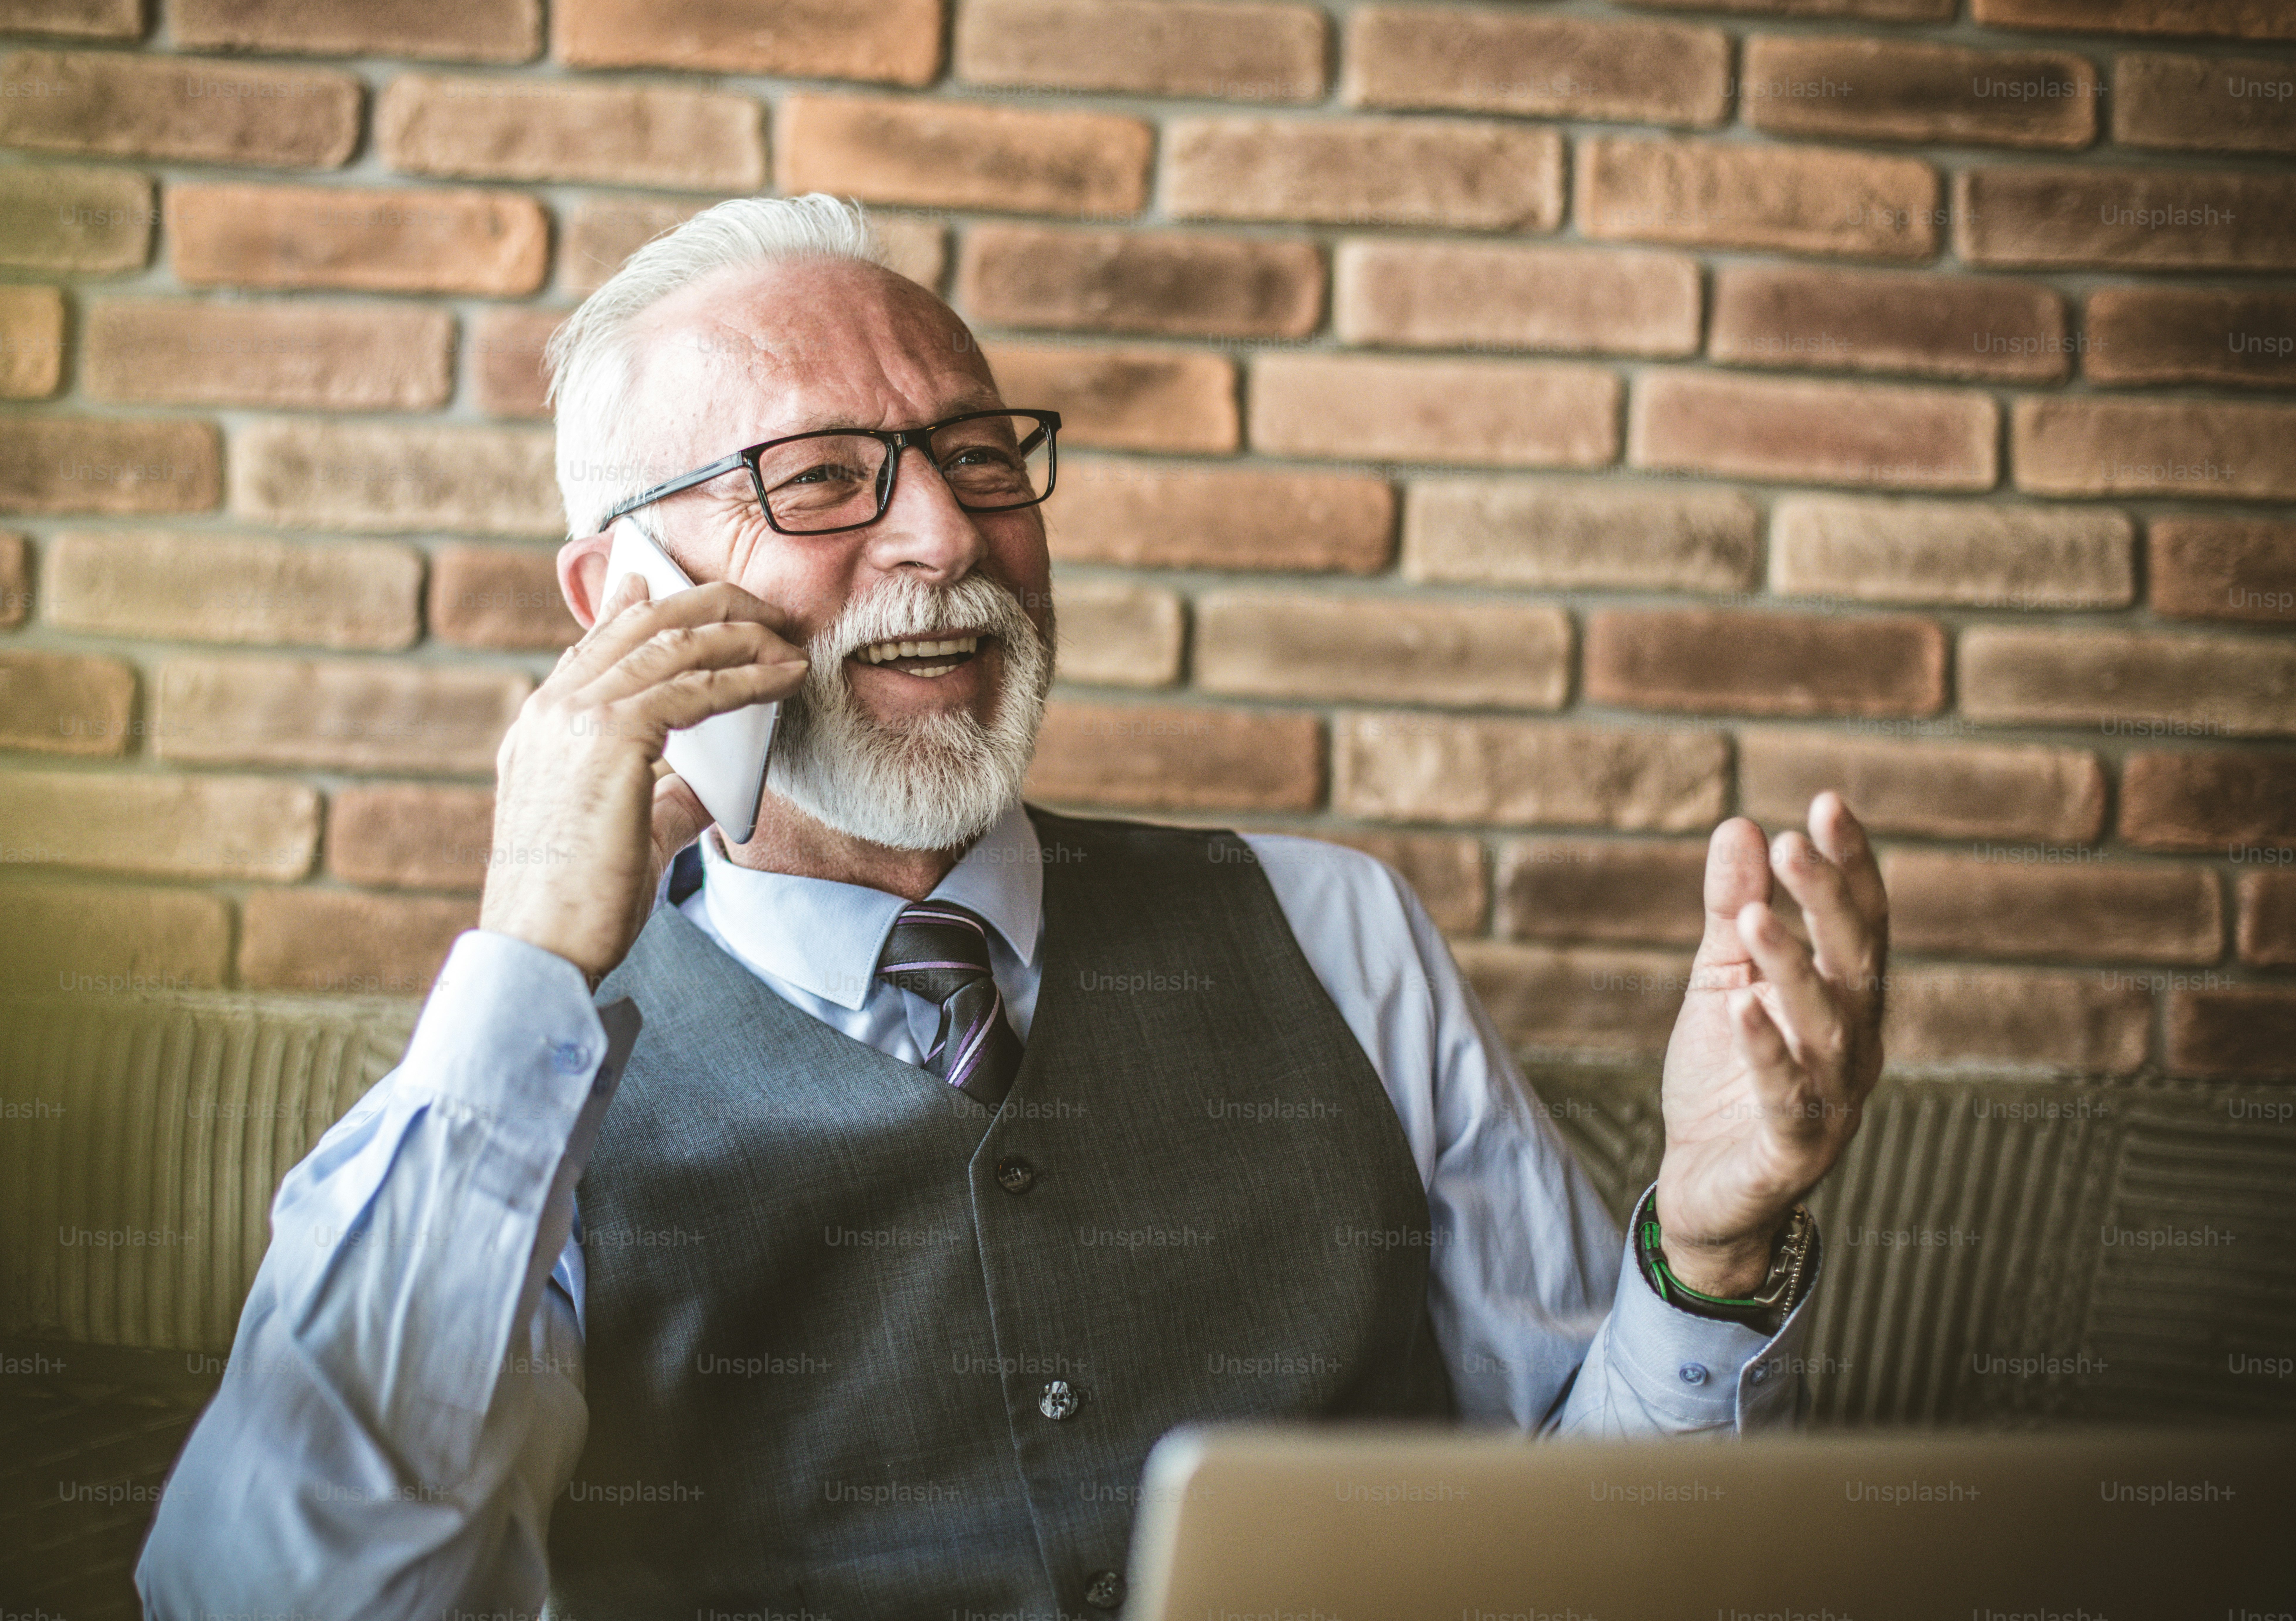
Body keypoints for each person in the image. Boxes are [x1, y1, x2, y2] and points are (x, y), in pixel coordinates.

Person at [136, 195, 1889, 1620]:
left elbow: (1604, 1557)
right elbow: (281, 1594)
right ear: (622, 594)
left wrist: (1713, 1250)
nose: (945, 538)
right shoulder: (518, 1095)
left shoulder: (1334, 934)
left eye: (978, 457)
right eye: (821, 477)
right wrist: (523, 957)